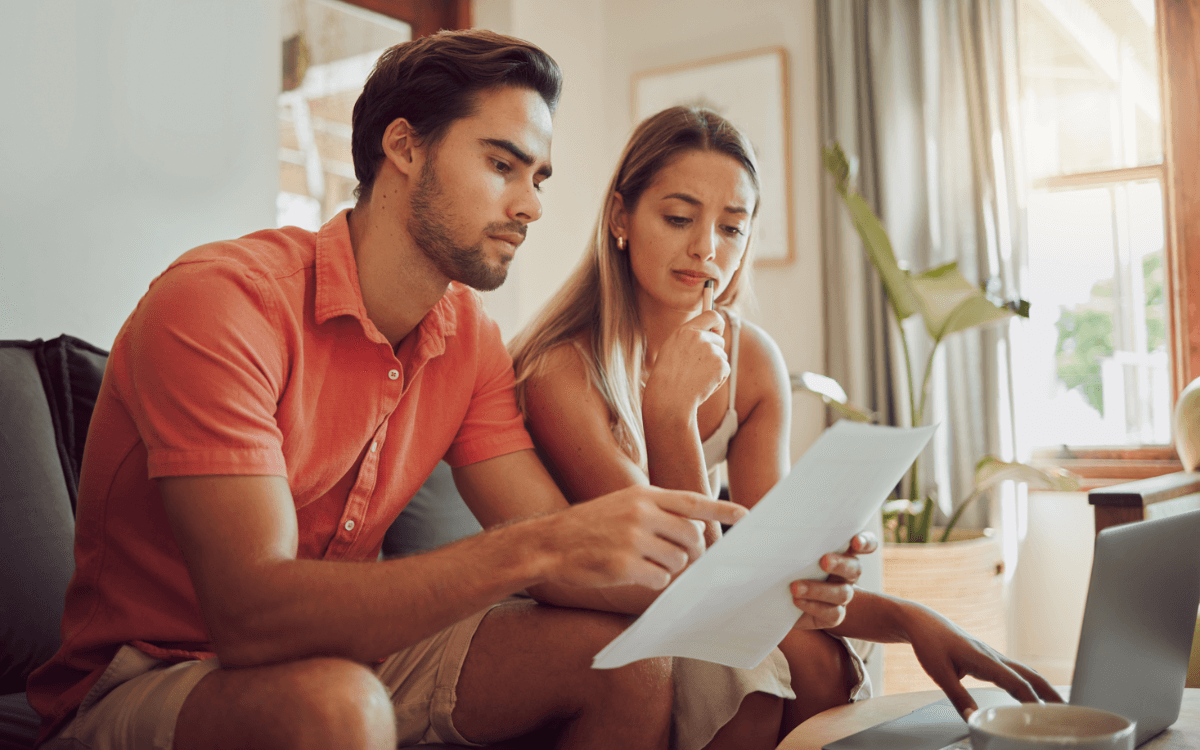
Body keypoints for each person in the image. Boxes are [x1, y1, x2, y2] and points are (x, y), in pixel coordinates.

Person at [26, 32, 873, 750]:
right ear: (404, 147)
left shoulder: (468, 340)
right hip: (164, 666)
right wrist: (539, 549)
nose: (533, 206)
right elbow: (251, 617)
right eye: (504, 164)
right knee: (336, 708)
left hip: (360, 648)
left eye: (539, 177)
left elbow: (568, 549)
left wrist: (794, 585)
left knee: (626, 661)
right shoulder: (221, 303)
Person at [509, 106, 1063, 749]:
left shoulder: (751, 359)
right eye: (679, 218)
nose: (705, 248)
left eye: (733, 227)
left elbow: (764, 571)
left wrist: (914, 619)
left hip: (696, 594)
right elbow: (683, 575)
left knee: (819, 660)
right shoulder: (562, 369)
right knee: (761, 672)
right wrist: (670, 414)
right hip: (603, 602)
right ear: (621, 218)